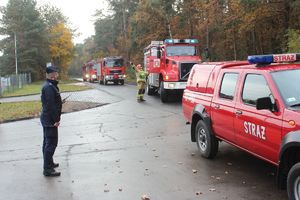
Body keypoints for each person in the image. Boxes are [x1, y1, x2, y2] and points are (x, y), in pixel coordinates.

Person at [40, 66, 62, 177]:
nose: (57, 74)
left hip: (47, 118)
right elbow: (51, 105)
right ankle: (47, 169)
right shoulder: (49, 87)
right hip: (50, 120)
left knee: (47, 142)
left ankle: (49, 163)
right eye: (56, 72)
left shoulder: (50, 85)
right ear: (52, 74)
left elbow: (52, 102)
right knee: (51, 143)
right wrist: (56, 120)